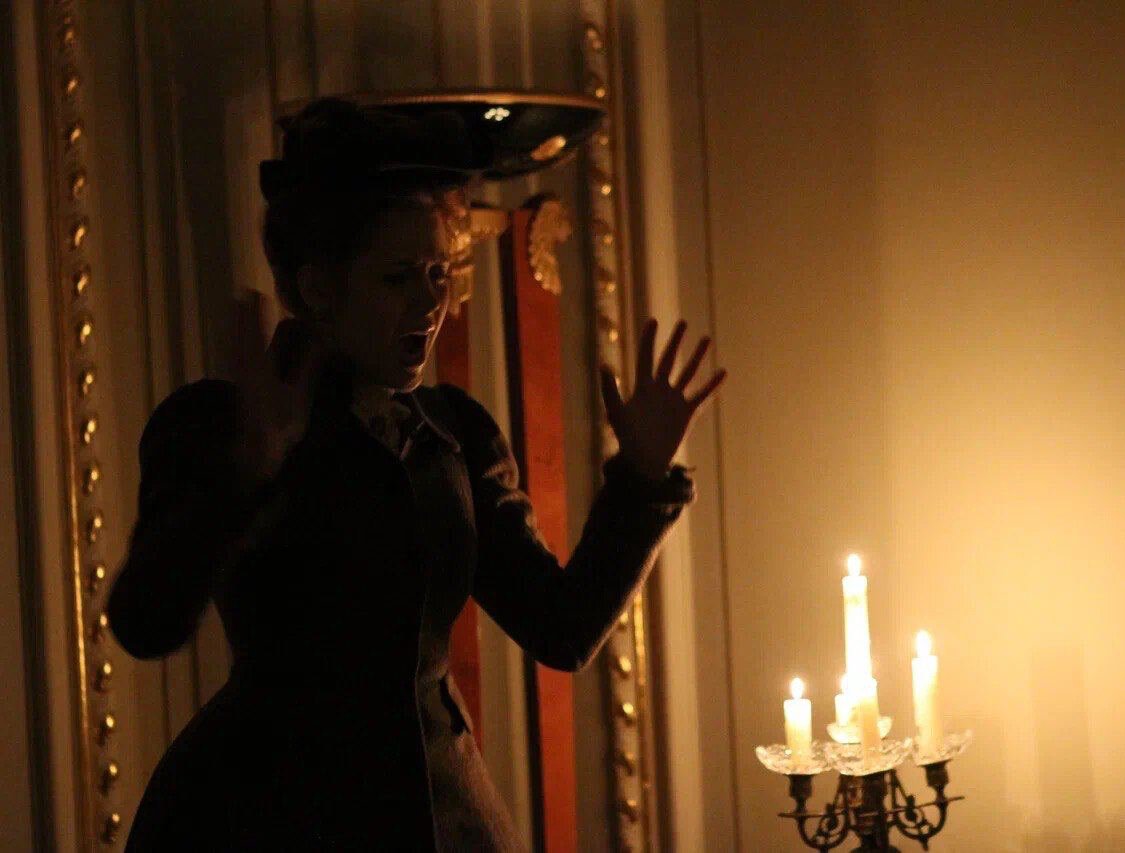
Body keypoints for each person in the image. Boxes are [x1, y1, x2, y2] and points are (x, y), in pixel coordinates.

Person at [108, 97, 727, 851]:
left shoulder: (453, 434)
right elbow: (145, 621)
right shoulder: (219, 423)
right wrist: (246, 473)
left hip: (443, 812)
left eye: (440, 271)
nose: (432, 301)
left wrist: (640, 476)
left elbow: (562, 627)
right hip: (267, 815)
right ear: (319, 287)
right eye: (399, 277)